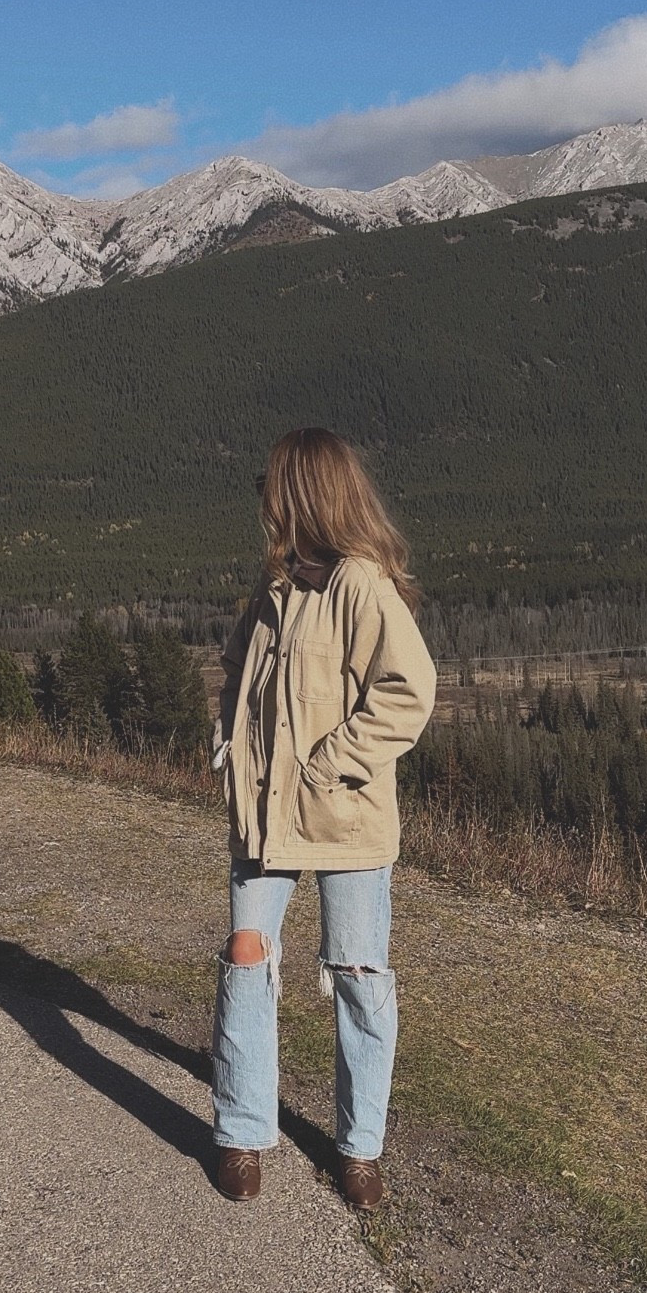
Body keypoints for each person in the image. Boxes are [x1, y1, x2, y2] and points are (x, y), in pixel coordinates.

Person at [209, 426, 437, 1209]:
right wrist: (227, 745)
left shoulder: (359, 586)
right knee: (245, 957)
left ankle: (359, 1149)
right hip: (264, 813)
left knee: (357, 975)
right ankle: (241, 1135)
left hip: (344, 814)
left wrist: (329, 761)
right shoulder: (273, 588)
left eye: (272, 483)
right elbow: (236, 670)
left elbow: (409, 691)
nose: (262, 496)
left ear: (303, 492)